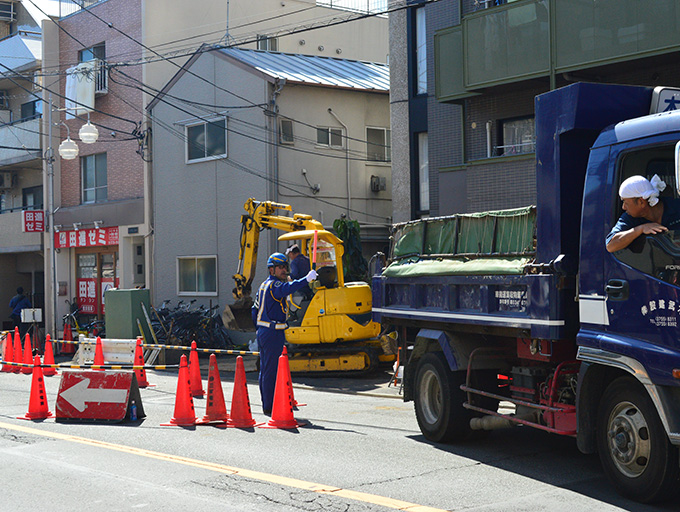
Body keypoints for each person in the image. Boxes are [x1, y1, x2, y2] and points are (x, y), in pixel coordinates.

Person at [251, 252, 317, 415]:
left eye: (285, 266)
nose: (284, 270)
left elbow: (254, 310)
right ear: (271, 270)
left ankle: (267, 403)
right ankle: (269, 406)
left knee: (266, 370)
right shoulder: (275, 285)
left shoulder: (264, 285)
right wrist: (306, 279)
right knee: (271, 370)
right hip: (272, 332)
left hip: (266, 331)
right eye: (280, 267)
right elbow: (288, 288)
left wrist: (260, 328)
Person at [606, 174, 680, 252]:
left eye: (625, 202)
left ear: (641, 202)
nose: (623, 207)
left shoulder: (676, 206)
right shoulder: (629, 217)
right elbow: (611, 246)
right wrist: (640, 229)